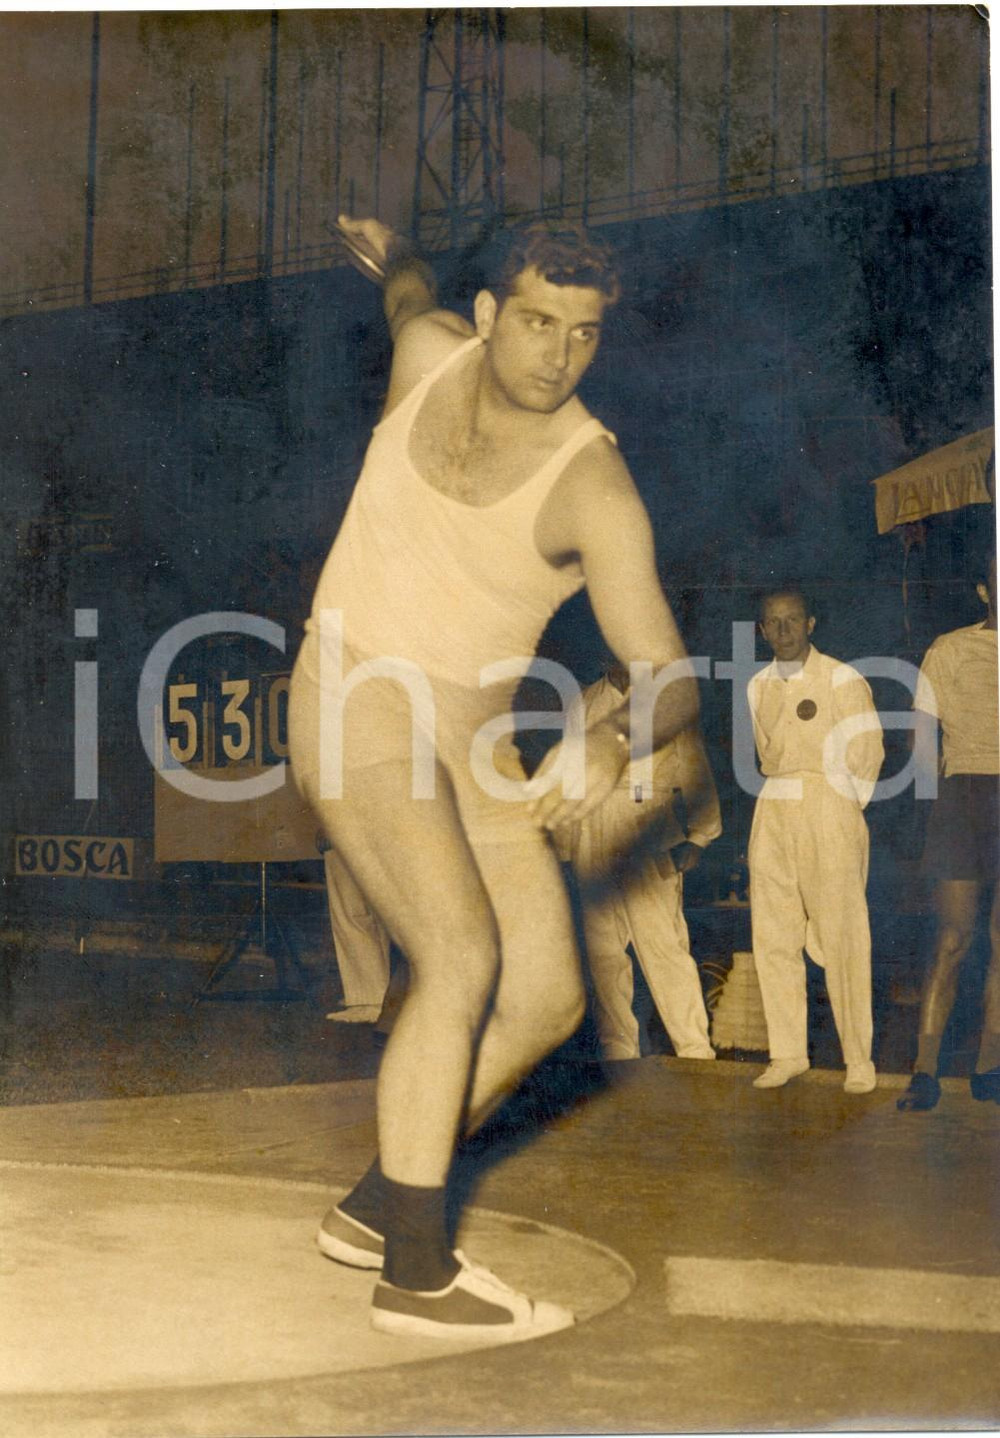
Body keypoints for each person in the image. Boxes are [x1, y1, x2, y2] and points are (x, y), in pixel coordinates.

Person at [288, 214, 700, 1340]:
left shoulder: (593, 485)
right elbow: (406, 293)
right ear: (484, 319)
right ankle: (415, 1275)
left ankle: (379, 1208)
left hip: (471, 743)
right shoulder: (427, 353)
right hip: (351, 688)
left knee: (545, 996)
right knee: (459, 953)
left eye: (583, 332)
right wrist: (393, 251)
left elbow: (671, 673)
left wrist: (616, 738)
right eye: (534, 321)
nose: (556, 354)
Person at [746, 586, 884, 1093]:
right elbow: (765, 752)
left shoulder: (842, 677)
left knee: (843, 933)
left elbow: (868, 751)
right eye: (772, 623)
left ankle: (859, 1060)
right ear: (761, 630)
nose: (782, 632)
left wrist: (840, 810)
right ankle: (787, 1053)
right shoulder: (757, 684)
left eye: (792, 621)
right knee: (774, 933)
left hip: (829, 803)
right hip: (773, 805)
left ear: (811, 624)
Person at [561, 661, 721, 1061]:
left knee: (663, 944)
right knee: (602, 950)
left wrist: (699, 835)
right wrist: (566, 848)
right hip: (592, 827)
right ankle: (618, 1048)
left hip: (648, 825)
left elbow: (695, 768)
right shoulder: (582, 702)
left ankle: (693, 1047)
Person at [897, 555, 1000, 1112]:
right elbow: (922, 741)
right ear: (985, 588)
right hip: (964, 796)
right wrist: (934, 811)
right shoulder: (949, 649)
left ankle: (991, 1068)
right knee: (953, 940)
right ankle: (924, 1071)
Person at [319, 838, 391, 1023]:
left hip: (348, 836)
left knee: (351, 914)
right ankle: (371, 996)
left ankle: (369, 1002)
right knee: (369, 917)